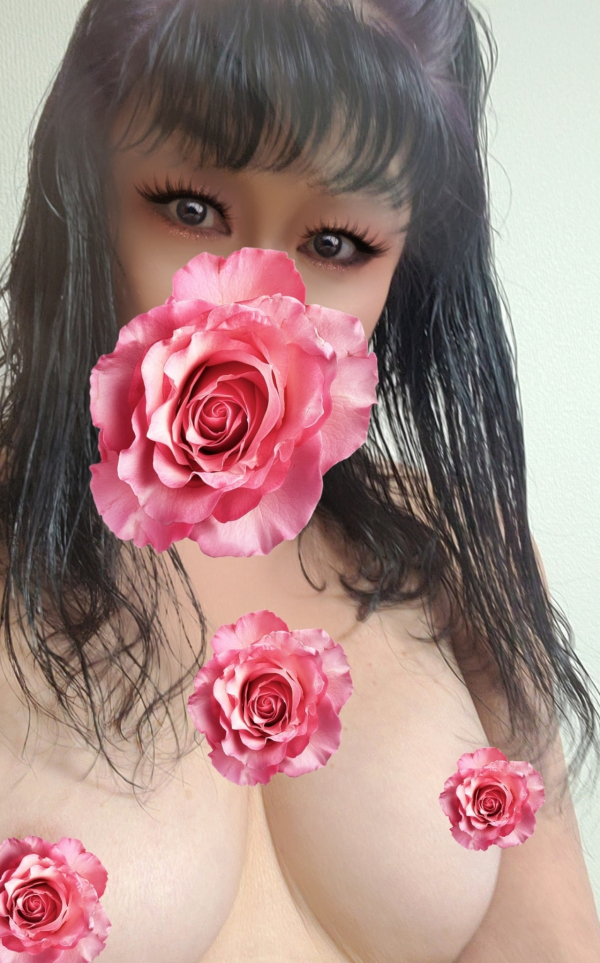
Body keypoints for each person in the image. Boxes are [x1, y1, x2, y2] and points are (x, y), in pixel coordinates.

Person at [0, 0, 599, 960]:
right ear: (85, 190)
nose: (258, 303)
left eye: (335, 245)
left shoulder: (462, 552)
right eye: (189, 209)